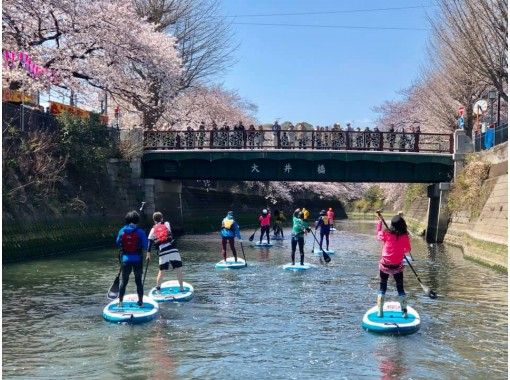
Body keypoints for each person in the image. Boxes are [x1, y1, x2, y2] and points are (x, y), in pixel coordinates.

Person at [375, 213, 411, 318]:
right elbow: (408, 250)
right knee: (400, 287)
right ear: (403, 225)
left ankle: (380, 312)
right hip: (397, 265)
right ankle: (404, 312)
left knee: (382, 286)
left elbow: (378, 235)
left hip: (385, 264)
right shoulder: (405, 236)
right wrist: (401, 250)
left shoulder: (387, 234)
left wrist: (379, 223)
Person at [116, 210, 149, 308]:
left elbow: (118, 243)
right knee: (138, 281)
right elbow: (145, 245)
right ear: (137, 220)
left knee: (124, 281)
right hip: (137, 259)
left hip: (125, 260)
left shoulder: (122, 230)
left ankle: (120, 302)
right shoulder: (140, 232)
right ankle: (140, 302)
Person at [147, 212, 184, 293]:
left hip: (163, 252)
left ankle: (158, 289)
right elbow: (172, 233)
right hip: (173, 249)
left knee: (161, 271)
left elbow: (149, 242)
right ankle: (181, 288)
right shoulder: (167, 224)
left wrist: (148, 254)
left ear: (154, 220)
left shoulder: (153, 229)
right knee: (178, 269)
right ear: (162, 218)